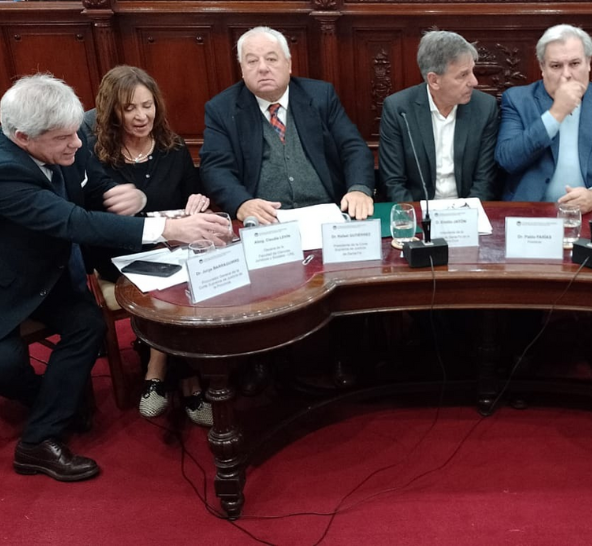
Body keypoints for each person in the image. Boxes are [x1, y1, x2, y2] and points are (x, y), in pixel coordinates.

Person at [0, 74, 227, 482]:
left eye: (76, 133)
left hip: (48, 276)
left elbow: (93, 184)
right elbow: (74, 221)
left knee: (88, 325)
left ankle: (38, 440)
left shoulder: (67, 140)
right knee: (8, 365)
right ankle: (57, 401)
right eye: (63, 138)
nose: (76, 143)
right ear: (22, 138)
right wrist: (169, 229)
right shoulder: (5, 172)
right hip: (7, 283)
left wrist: (133, 195)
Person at [87, 66, 217, 427]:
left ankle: (156, 366)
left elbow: (193, 195)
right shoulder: (98, 157)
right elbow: (98, 222)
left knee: (197, 270)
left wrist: (196, 203)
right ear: (113, 111)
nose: (141, 116)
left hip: (171, 247)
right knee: (177, 283)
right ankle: (190, 385)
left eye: (147, 105)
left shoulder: (172, 148)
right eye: (129, 108)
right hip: (120, 253)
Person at [200, 26, 375, 223]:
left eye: (271, 59)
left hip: (327, 213)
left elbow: (353, 148)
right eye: (252, 61)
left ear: (288, 64)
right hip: (265, 221)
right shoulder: (222, 109)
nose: (263, 68)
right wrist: (241, 203)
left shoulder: (320, 96)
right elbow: (215, 168)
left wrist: (359, 189)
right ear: (242, 69)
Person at [495, 24, 592, 212]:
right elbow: (508, 160)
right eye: (556, 66)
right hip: (530, 212)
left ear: (588, 63)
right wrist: (556, 113)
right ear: (542, 67)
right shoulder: (518, 100)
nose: (566, 75)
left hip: (591, 212)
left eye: (575, 64)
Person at [379, 30, 500, 202]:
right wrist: (414, 215)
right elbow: (393, 182)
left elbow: (485, 181)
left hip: (468, 209)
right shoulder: (399, 110)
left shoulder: (485, 107)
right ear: (434, 80)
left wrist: (468, 213)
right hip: (418, 209)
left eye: (472, 71)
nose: (474, 82)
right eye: (463, 75)